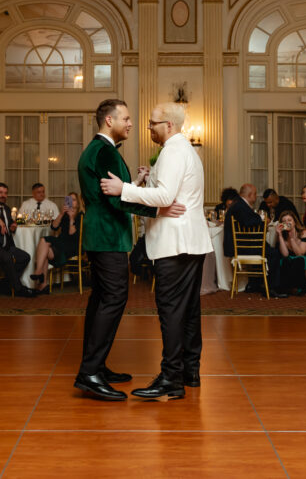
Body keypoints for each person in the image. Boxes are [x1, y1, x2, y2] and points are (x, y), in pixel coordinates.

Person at [101, 102, 210, 400]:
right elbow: (168, 189)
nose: (148, 127)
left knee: (171, 310)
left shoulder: (173, 151)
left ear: (169, 126)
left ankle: (171, 379)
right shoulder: (184, 150)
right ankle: (190, 371)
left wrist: (122, 188)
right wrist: (149, 178)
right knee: (187, 311)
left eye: (152, 123)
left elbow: (165, 196)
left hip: (175, 244)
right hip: (189, 241)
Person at [74, 98, 181, 402]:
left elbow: (112, 191)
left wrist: (135, 183)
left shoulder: (98, 151)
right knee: (114, 298)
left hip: (100, 235)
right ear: (109, 121)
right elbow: (115, 199)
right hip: (108, 237)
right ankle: (90, 373)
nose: (132, 124)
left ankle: (96, 366)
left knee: (100, 301)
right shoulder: (105, 152)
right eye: (127, 118)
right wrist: (157, 211)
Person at [30, 193, 83, 293]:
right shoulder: (65, 214)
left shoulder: (81, 216)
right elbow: (53, 227)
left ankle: (39, 273)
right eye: (69, 200)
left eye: (74, 200)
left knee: (44, 241)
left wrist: (71, 218)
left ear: (78, 203)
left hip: (73, 245)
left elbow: (72, 234)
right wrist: (61, 214)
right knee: (44, 247)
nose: (71, 202)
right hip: (61, 242)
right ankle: (43, 284)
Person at [275, 211, 306, 297]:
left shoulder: (304, 233)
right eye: (284, 221)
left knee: (300, 260)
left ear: (294, 222)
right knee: (283, 261)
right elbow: (285, 254)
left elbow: (300, 253)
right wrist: (280, 235)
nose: (287, 223)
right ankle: (295, 286)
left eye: (289, 220)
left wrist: (292, 238)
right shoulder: (282, 236)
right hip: (293, 262)